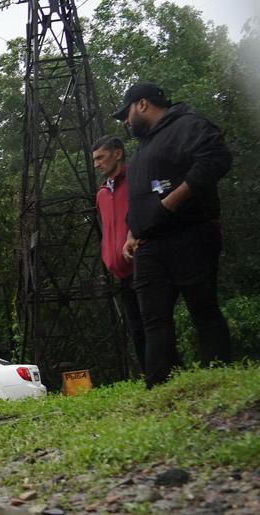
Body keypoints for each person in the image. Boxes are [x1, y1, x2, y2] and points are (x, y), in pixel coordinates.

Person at [113, 82, 233, 388]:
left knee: (202, 309)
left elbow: (216, 160)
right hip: (149, 246)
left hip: (188, 233)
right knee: (153, 320)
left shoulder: (187, 124)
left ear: (142, 104)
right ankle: (158, 388)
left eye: (125, 114)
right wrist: (131, 231)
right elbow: (140, 195)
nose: (125, 122)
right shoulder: (144, 147)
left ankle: (219, 379)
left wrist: (170, 202)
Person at [92, 135, 147, 372]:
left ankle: (164, 373)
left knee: (152, 323)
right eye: (94, 160)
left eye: (101, 157)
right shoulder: (102, 194)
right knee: (136, 327)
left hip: (143, 263)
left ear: (117, 154)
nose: (97, 164)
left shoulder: (136, 180)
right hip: (121, 273)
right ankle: (150, 377)